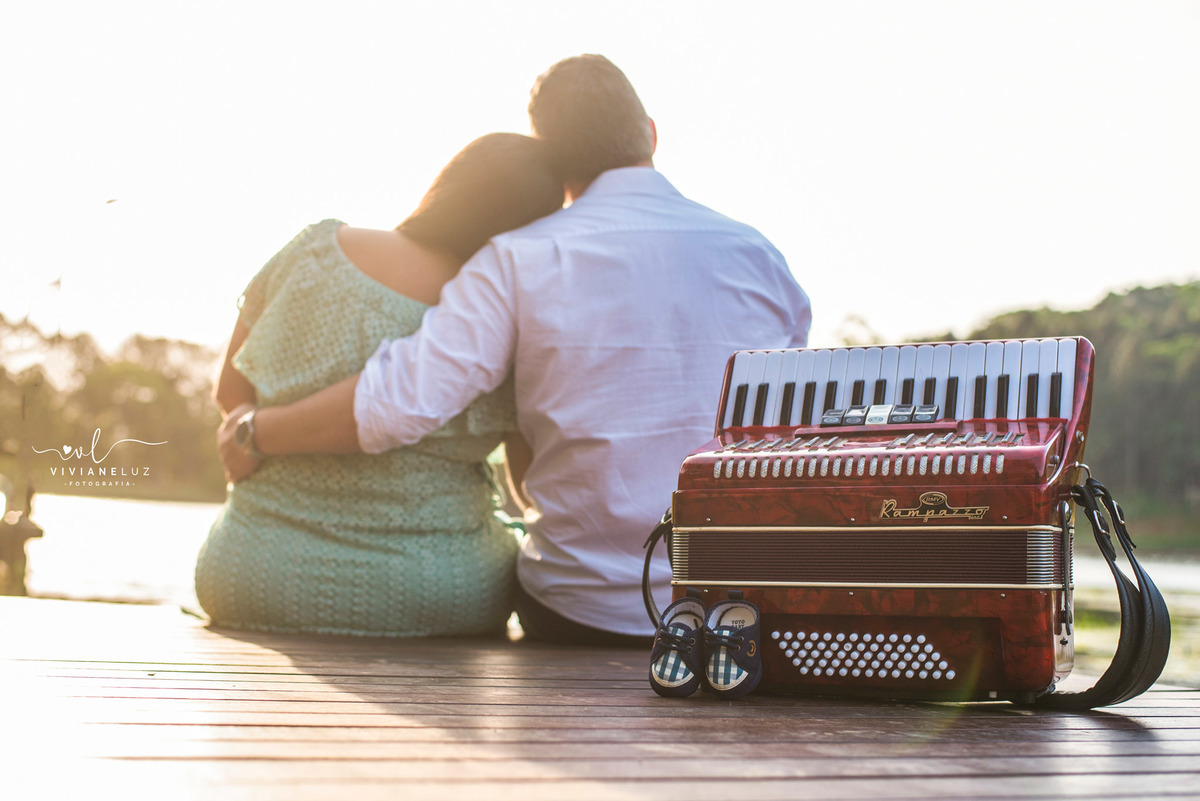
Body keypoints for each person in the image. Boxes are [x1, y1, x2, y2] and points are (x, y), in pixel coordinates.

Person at [218, 55, 812, 645]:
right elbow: (790, 437)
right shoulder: (761, 257)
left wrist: (253, 433)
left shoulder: (517, 259)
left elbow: (397, 404)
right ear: (651, 134)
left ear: (554, 162)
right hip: (734, 612)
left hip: (579, 610)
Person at [195, 133, 564, 637]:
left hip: (254, 573)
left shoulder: (317, 250)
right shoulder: (506, 314)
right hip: (441, 591)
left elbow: (230, 391)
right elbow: (527, 486)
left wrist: (249, 438)